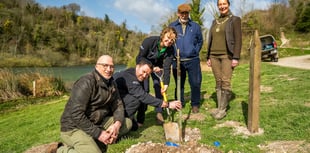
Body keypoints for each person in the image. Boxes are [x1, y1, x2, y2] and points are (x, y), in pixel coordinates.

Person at [48, 55, 132, 153]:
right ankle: (61, 149)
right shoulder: (86, 82)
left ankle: (94, 140)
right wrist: (100, 134)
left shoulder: (112, 83)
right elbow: (76, 114)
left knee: (127, 123)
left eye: (111, 66)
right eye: (105, 65)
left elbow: (118, 105)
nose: (109, 69)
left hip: (97, 122)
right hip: (74, 127)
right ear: (96, 66)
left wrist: (116, 125)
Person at [114, 59, 182, 131]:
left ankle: (129, 120)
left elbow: (142, 96)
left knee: (135, 127)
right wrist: (167, 104)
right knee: (135, 100)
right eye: (143, 71)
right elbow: (143, 97)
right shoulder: (129, 77)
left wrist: (140, 121)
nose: (144, 75)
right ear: (137, 67)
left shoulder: (136, 75)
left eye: (147, 74)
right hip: (113, 104)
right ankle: (122, 123)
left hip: (121, 100)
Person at [206, 0, 242, 120]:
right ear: (218, 6)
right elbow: (210, 39)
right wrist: (208, 57)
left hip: (227, 55)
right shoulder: (214, 21)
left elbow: (238, 40)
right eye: (220, 5)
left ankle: (222, 110)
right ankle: (219, 107)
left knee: (226, 81)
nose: (222, 6)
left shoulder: (235, 20)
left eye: (224, 4)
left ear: (228, 5)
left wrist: (236, 57)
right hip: (213, 55)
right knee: (218, 81)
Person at [136, 27, 177, 125]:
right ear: (162, 36)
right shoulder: (149, 41)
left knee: (159, 87)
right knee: (144, 90)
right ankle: (140, 118)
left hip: (158, 67)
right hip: (144, 65)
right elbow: (139, 58)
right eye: (167, 38)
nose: (169, 41)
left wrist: (166, 83)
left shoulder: (171, 49)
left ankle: (159, 113)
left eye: (172, 40)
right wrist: (150, 67)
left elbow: (167, 67)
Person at [169, 3, 203, 113]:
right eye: (182, 13)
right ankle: (180, 103)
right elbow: (168, 41)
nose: (184, 15)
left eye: (186, 13)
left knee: (195, 83)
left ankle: (195, 104)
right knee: (179, 84)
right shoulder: (172, 26)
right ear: (178, 14)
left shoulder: (195, 26)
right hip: (177, 61)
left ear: (189, 13)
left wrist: (194, 51)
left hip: (193, 60)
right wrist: (173, 55)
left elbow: (200, 41)